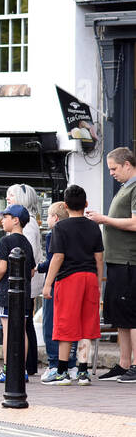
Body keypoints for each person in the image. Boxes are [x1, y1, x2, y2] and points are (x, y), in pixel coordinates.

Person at [41, 185, 103, 386]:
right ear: (86, 205)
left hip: (69, 279)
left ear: (65, 206)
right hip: (90, 277)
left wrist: (48, 284)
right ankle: (83, 372)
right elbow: (99, 258)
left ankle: (62, 371)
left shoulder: (61, 227)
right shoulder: (94, 227)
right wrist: (99, 282)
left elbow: (57, 257)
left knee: (65, 324)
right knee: (87, 324)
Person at [86, 147, 136, 381]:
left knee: (132, 314)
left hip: (129, 260)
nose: (112, 173)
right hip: (117, 260)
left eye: (114, 169)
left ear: (128, 164)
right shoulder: (125, 188)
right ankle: (124, 363)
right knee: (121, 316)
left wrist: (103, 219)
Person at [0, 204, 35, 383]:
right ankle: (22, 369)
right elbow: (31, 271)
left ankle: (9, 370)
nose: (2, 220)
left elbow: (2, 268)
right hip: (25, 292)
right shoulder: (27, 243)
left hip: (7, 292)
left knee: (8, 330)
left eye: (6, 217)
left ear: (15, 220)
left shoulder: (5, 241)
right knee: (21, 330)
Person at [38, 200, 77, 381]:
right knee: (70, 324)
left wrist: (39, 268)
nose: (47, 220)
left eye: (47, 217)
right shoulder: (75, 232)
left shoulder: (53, 234)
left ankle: (54, 364)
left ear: (54, 218)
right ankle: (71, 363)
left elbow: (53, 259)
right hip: (74, 281)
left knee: (51, 324)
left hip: (56, 283)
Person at [6, 184, 43, 373]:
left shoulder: (26, 223)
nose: (8, 198)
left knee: (25, 321)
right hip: (27, 276)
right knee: (26, 321)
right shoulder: (27, 221)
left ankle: (28, 364)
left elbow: (29, 253)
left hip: (27, 277)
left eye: (11, 195)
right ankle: (29, 364)